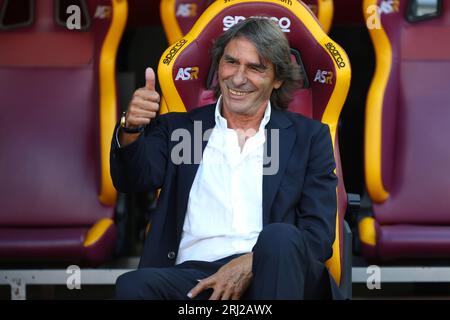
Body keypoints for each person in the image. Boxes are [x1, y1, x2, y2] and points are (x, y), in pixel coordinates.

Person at [111, 17, 339, 300]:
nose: (239, 77)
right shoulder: (181, 130)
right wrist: (131, 127)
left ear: (278, 78)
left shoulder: (308, 137)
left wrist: (252, 262)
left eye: (255, 68)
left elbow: (318, 236)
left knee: (280, 238)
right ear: (218, 66)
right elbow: (132, 179)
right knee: (133, 287)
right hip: (194, 282)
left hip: (273, 277)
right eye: (231, 62)